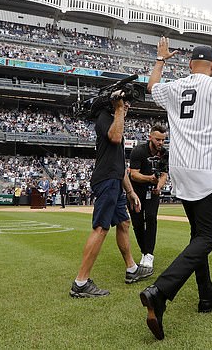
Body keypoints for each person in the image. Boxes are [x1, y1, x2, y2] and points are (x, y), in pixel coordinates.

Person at [139, 38, 212, 340]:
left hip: (180, 170)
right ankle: (161, 291)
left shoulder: (175, 87)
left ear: (189, 65)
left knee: (198, 235)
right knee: (208, 237)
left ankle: (206, 297)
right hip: (206, 169)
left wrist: (160, 59)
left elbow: (151, 88)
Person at [69, 93, 148, 299]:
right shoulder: (106, 117)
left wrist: (130, 191)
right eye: (125, 103)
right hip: (107, 181)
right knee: (101, 228)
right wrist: (118, 109)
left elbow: (120, 165)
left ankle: (131, 269)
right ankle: (81, 282)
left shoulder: (115, 121)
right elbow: (115, 137)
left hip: (114, 180)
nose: (127, 106)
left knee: (123, 223)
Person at [128, 124, 169, 276]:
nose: (161, 143)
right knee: (138, 223)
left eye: (163, 140)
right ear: (150, 137)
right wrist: (149, 179)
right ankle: (145, 252)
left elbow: (164, 174)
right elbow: (133, 174)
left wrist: (159, 185)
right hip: (136, 192)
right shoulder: (138, 151)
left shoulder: (164, 153)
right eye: (158, 139)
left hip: (153, 192)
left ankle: (149, 254)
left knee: (151, 218)